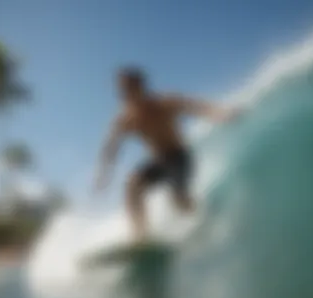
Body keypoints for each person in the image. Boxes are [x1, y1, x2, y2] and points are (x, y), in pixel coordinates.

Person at [94, 67, 240, 242]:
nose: (125, 94)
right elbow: (111, 147)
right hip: (158, 161)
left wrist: (221, 114)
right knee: (132, 186)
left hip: (179, 157)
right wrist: (104, 173)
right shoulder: (126, 119)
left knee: (179, 201)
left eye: (129, 88)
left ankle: (205, 217)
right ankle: (140, 236)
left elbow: (196, 107)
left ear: (141, 86)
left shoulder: (165, 103)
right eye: (122, 90)